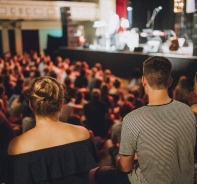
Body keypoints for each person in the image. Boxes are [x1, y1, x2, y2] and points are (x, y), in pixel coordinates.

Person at [117, 56, 197, 184]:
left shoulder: (131, 119)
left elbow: (125, 167)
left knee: (96, 173)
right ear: (170, 82)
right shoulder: (189, 112)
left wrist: (118, 160)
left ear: (143, 80)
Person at [7, 76, 99, 184]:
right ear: (61, 105)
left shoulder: (16, 147)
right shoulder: (82, 134)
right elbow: (91, 177)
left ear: (31, 105)